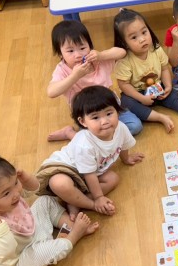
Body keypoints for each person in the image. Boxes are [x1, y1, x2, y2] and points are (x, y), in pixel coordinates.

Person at [0, 152, 99, 266]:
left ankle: (70, 225)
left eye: (15, 183)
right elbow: (4, 251)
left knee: (45, 201)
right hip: (21, 259)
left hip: (32, 233)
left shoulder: (7, 194)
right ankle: (74, 235)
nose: (16, 193)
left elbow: (34, 189)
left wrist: (26, 179)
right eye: (6, 193)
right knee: (46, 251)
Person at [35, 85, 145, 218]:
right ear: (83, 122)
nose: (104, 121)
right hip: (67, 168)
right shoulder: (84, 145)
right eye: (95, 117)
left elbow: (124, 145)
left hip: (90, 172)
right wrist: (98, 198)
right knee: (59, 183)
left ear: (117, 111)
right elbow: (89, 174)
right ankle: (90, 204)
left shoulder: (121, 128)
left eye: (109, 113)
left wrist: (126, 159)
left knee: (113, 179)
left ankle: (75, 200)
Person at [113, 8, 178, 133]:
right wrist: (141, 98)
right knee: (128, 103)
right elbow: (124, 85)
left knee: (174, 97)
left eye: (144, 32)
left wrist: (168, 85)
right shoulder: (124, 60)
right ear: (124, 43)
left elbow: (165, 69)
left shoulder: (155, 49)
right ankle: (160, 117)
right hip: (136, 93)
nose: (142, 39)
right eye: (134, 37)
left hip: (157, 87)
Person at [46, 20, 143, 141]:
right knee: (89, 141)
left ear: (90, 46)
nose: (78, 55)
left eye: (82, 48)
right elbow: (51, 92)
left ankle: (103, 138)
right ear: (60, 54)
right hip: (88, 117)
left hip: (110, 109)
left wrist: (102, 55)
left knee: (135, 126)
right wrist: (75, 76)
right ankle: (69, 133)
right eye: (70, 51)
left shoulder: (97, 60)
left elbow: (122, 52)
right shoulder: (62, 70)